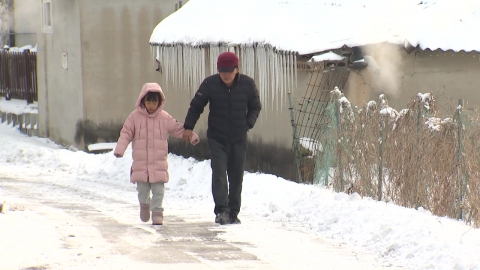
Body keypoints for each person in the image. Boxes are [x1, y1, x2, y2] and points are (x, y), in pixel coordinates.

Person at [182, 52, 262, 225]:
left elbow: (256, 106)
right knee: (219, 174)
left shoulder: (247, 84)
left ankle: (233, 212)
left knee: (236, 176)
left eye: (229, 70)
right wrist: (188, 127)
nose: (225, 74)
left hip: (239, 138)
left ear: (237, 69)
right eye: (222, 70)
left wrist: (247, 124)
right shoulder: (210, 84)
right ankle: (222, 211)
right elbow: (196, 106)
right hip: (217, 138)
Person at [114, 82, 199, 225]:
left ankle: (157, 213)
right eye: (148, 101)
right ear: (143, 101)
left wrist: (192, 136)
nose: (151, 105)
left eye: (154, 102)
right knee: (142, 190)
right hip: (141, 164)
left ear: (159, 102)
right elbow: (126, 133)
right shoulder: (134, 118)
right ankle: (144, 205)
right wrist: (119, 150)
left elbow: (178, 129)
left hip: (158, 163)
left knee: (158, 191)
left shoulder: (164, 117)